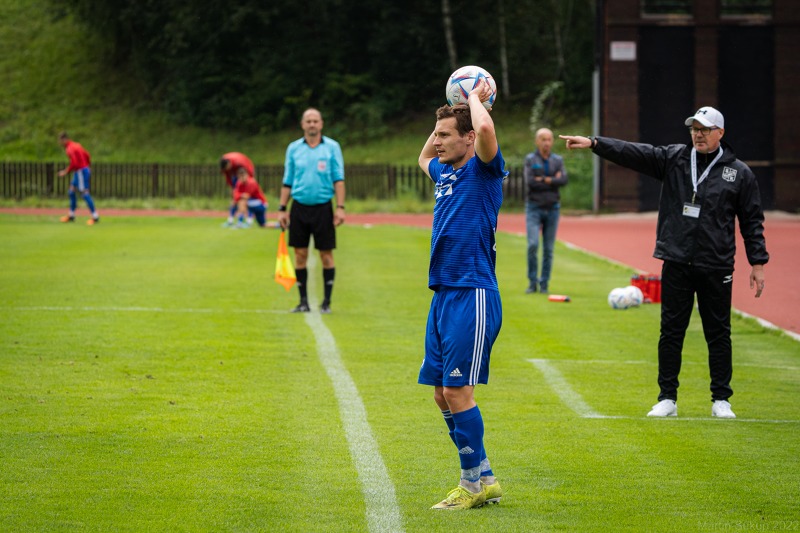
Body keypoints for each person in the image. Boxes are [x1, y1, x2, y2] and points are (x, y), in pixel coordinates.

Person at [560, 106, 769, 419]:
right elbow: (633, 153)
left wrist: (758, 263)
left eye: (705, 129)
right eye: (694, 129)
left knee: (718, 333)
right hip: (676, 258)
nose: (698, 134)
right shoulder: (675, 159)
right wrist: (594, 143)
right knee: (671, 331)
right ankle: (667, 398)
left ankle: (721, 399)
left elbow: (752, 221)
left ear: (720, 133)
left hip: (716, 264)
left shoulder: (738, 173)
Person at [417, 79, 506, 510]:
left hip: (473, 292)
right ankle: (484, 476)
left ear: (468, 138)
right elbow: (423, 158)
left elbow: (485, 130)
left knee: (457, 393)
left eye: (445, 135)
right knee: (441, 392)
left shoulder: (483, 170)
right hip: (444, 294)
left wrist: (472, 97)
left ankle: (472, 484)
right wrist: (447, 111)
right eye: (436, 135)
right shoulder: (445, 173)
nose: (436, 142)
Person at [277, 108, 345, 314]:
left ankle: (326, 303)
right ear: (303, 124)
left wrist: (340, 207)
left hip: (323, 207)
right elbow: (288, 180)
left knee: (326, 254)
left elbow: (338, 179)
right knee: (300, 254)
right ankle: (303, 302)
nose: (312, 124)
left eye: (315, 121)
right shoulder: (294, 148)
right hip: (299, 207)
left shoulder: (332, 147)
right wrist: (282, 209)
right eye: (308, 121)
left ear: (321, 123)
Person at [524, 127, 568, 294]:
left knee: (548, 249)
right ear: (537, 141)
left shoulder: (558, 160)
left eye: (549, 139)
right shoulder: (530, 159)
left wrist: (542, 179)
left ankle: (544, 284)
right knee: (533, 245)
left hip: (553, 209)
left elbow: (563, 180)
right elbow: (531, 182)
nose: (546, 143)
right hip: (534, 208)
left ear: (552, 142)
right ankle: (532, 282)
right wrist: (552, 180)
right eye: (543, 139)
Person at [58, 132, 99, 225]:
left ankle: (95, 217)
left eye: (60, 141)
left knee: (84, 193)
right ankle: (71, 215)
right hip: (80, 171)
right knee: (71, 192)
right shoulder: (77, 145)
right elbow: (87, 155)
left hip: (81, 171)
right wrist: (88, 165)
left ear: (64, 140)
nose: (60, 143)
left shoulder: (70, 148)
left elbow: (74, 163)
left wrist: (65, 171)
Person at [220, 152, 255, 227]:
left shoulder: (239, 162)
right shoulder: (227, 167)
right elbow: (228, 178)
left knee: (244, 201)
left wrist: (248, 182)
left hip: (248, 177)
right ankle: (231, 220)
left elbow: (249, 173)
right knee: (235, 201)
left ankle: (248, 220)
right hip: (239, 182)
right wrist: (234, 191)